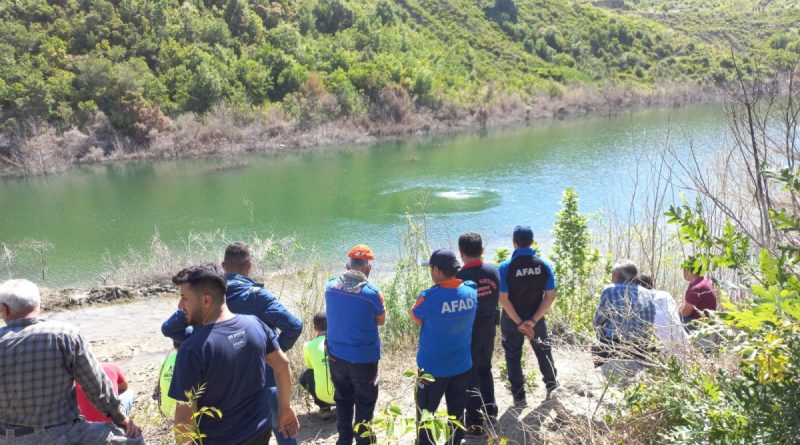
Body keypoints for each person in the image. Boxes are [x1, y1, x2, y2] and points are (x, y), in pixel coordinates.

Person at [162, 242, 303, 445]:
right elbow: (283, 364)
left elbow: (184, 419)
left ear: (206, 301)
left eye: (184, 298)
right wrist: (285, 408)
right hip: (259, 432)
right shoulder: (256, 325)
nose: (180, 305)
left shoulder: (192, 350)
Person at [0, 279, 144, 445]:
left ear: (4, 309)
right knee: (134, 439)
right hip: (61, 434)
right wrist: (122, 419)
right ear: (38, 305)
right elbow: (97, 388)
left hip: (5, 437)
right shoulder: (65, 335)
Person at [411, 248, 478, 445]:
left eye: (431, 268)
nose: (430, 272)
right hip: (462, 365)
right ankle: (455, 442)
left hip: (433, 369)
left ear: (437, 270)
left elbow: (415, 316)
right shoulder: (471, 292)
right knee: (457, 413)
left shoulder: (428, 297)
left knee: (426, 413)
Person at [325, 244, 386, 445]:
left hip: (336, 356)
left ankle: (344, 439)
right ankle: (363, 440)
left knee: (342, 399)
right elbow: (381, 320)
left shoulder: (330, 287)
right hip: (363, 359)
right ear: (369, 269)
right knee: (365, 402)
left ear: (347, 266)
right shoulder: (372, 294)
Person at [498, 226, 559, 406]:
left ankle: (519, 398)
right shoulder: (543, 265)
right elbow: (550, 295)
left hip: (512, 320)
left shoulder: (505, 267)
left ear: (514, 242)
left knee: (513, 356)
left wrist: (520, 323)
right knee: (543, 352)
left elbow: (503, 299)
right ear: (532, 242)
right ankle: (553, 387)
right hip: (536, 319)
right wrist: (532, 321)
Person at [455, 232, 500, 435]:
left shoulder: (459, 278)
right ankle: (490, 411)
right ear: (482, 250)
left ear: (461, 253)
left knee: (470, 376)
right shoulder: (493, 271)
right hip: (489, 330)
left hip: (468, 334)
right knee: (485, 369)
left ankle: (475, 424)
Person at [592, 260, 656, 379]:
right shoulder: (649, 293)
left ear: (617, 275)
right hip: (641, 347)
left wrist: (600, 334)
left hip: (615, 345)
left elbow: (598, 321)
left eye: (612, 273)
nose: (611, 276)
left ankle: (603, 379)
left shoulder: (610, 290)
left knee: (596, 345)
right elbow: (651, 322)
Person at [637, 274, 687, 355]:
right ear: (652, 284)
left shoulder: (639, 299)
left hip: (659, 349)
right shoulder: (665, 295)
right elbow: (676, 314)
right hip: (681, 344)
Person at [300, 312, 335, 420]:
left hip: (322, 395)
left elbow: (310, 367)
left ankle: (324, 407)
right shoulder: (341, 341)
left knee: (306, 375)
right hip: (346, 395)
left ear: (315, 328)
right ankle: (348, 405)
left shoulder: (308, 345)